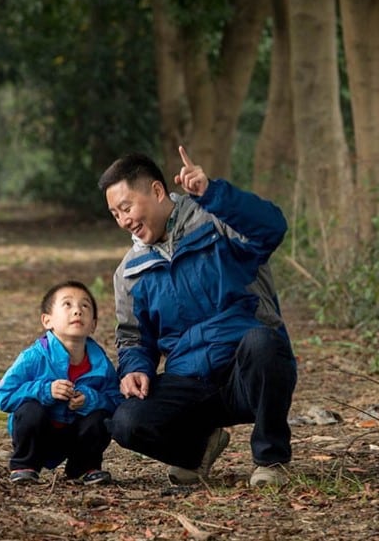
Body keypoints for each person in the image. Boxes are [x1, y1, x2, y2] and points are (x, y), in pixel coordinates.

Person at [98, 146, 297, 487]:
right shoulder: (129, 272)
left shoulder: (217, 220)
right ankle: (197, 449)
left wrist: (213, 194)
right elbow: (133, 338)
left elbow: (272, 228)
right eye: (115, 214)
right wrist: (134, 370)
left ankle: (271, 459)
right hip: (190, 383)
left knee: (263, 342)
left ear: (157, 191)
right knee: (125, 421)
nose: (124, 220)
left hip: (246, 372)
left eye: (126, 207)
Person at [0, 280, 122, 485]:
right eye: (67, 304)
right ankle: (25, 466)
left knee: (100, 418)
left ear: (93, 325)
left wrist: (90, 399)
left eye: (85, 306)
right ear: (47, 320)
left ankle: (84, 468)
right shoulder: (34, 356)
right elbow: (3, 395)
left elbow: (116, 401)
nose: (78, 311)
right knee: (30, 410)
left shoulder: (101, 364)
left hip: (76, 435)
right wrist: (45, 391)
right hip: (40, 432)